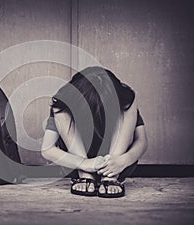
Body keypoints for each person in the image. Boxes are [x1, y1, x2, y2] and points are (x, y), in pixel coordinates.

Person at [41, 67, 148, 198]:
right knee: (63, 109)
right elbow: (47, 149)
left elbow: (141, 141)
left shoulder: (125, 98)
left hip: (117, 160)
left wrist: (122, 161)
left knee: (127, 105)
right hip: (76, 162)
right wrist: (84, 164)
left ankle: (111, 175)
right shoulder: (65, 99)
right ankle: (84, 175)